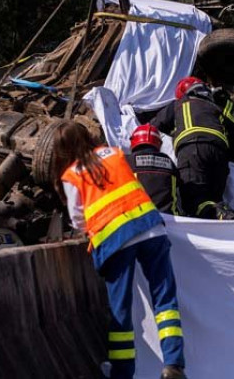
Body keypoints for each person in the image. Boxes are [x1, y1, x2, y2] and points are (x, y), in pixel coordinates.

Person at [51, 121, 186, 379]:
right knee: (165, 299)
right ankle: (174, 364)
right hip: (151, 227)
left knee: (120, 311)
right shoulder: (114, 153)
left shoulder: (71, 174)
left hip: (116, 240)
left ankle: (123, 374)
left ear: (63, 149)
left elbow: (78, 218)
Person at [150, 77, 234, 220]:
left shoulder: (178, 104)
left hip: (193, 150)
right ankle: (223, 215)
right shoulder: (216, 109)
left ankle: (220, 213)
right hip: (220, 155)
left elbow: (154, 126)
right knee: (213, 199)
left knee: (194, 199)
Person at [127, 123, 181, 216]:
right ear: (159, 143)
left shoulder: (127, 161)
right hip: (169, 219)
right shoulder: (169, 162)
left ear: (133, 141)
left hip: (138, 218)